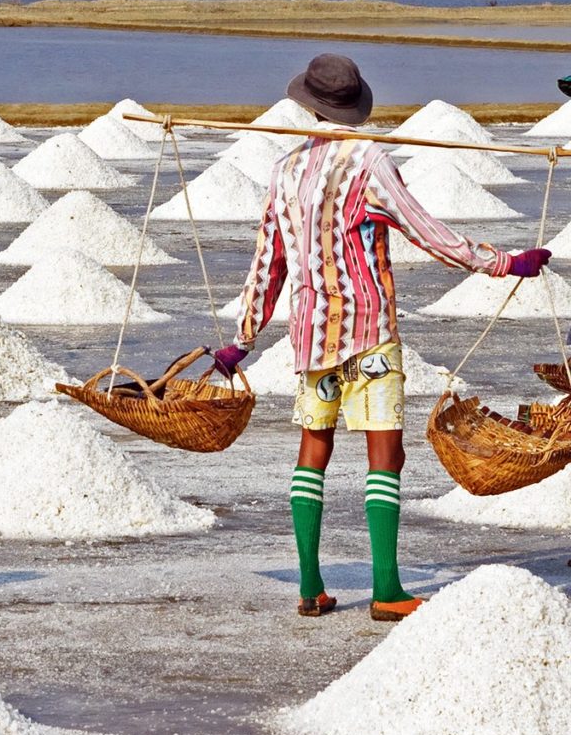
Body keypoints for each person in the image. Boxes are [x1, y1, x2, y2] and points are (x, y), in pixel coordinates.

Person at [213, 54, 550, 622]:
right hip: (367, 335)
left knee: (313, 450)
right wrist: (505, 262)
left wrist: (243, 337)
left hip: (311, 335)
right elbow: (428, 232)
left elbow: (268, 260)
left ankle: (311, 586)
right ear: (355, 103)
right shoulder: (369, 161)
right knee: (384, 453)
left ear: (308, 104)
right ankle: (388, 589)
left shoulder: (285, 169)